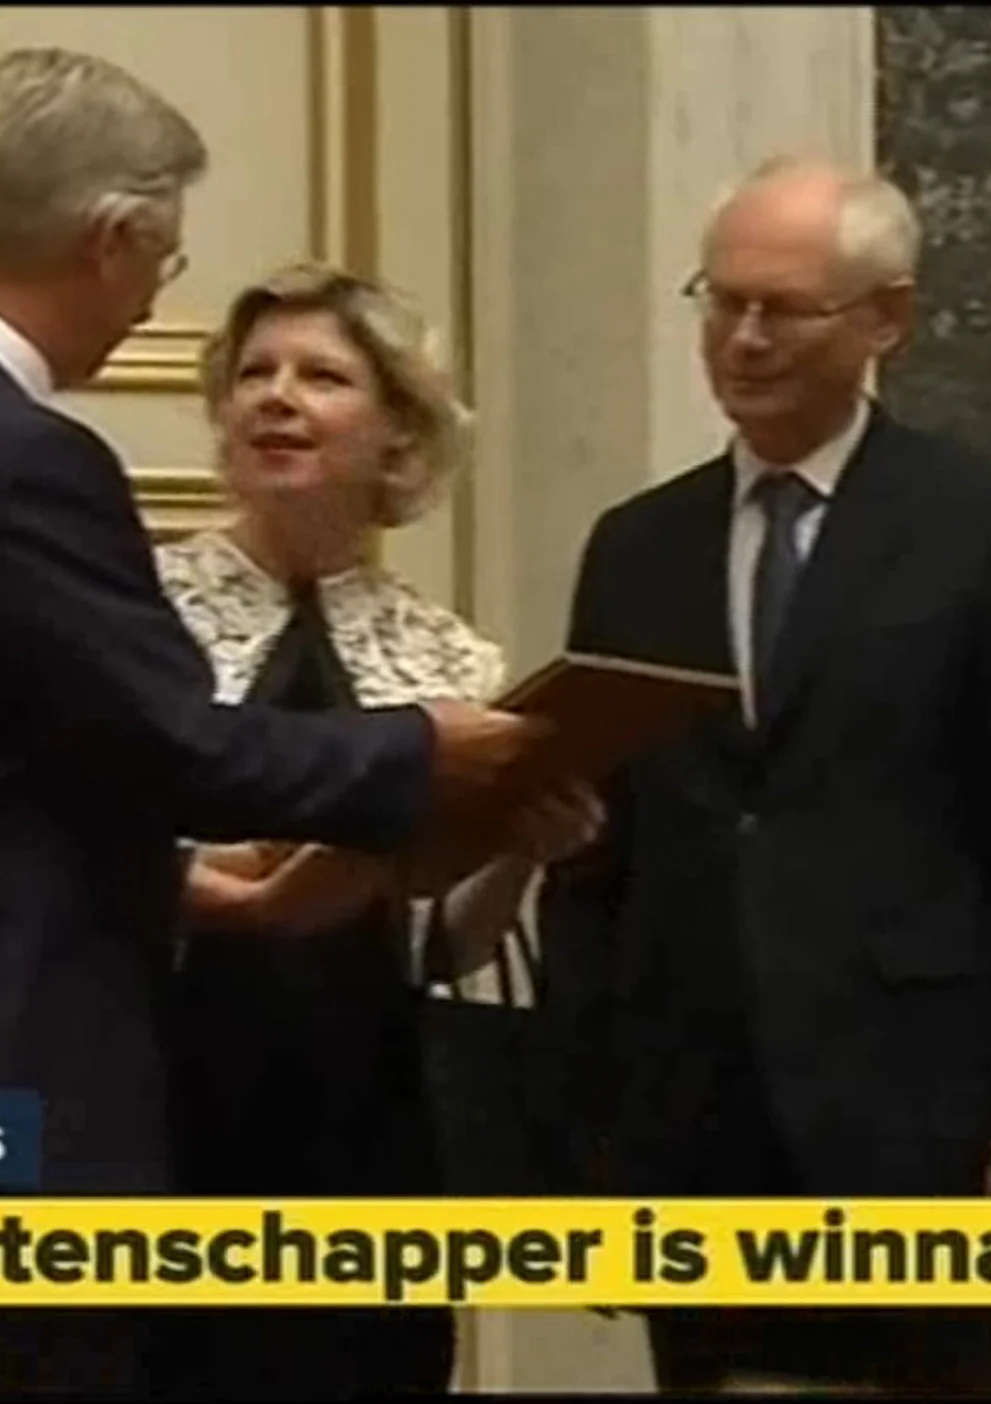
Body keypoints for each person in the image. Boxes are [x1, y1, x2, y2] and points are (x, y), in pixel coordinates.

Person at [0, 50, 544, 1397]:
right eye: (162, 262)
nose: (153, 301)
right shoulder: (24, 459)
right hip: (5, 1129)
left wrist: (185, 890)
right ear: (110, 238)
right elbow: (182, 749)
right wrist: (424, 749)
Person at [534, 156, 991, 1393]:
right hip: (694, 1124)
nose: (744, 340)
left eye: (784, 310)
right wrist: (591, 1126)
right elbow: (596, 858)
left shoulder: (987, 527)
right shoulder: (638, 545)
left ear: (884, 320)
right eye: (722, 302)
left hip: (926, 1124)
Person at [144, 262, 605, 1398]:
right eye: (254, 374)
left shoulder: (447, 660)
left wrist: (521, 849)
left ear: (399, 431)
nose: (276, 398)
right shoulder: (139, 614)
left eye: (321, 377)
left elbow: (443, 943)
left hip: (366, 1117)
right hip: (158, 1100)